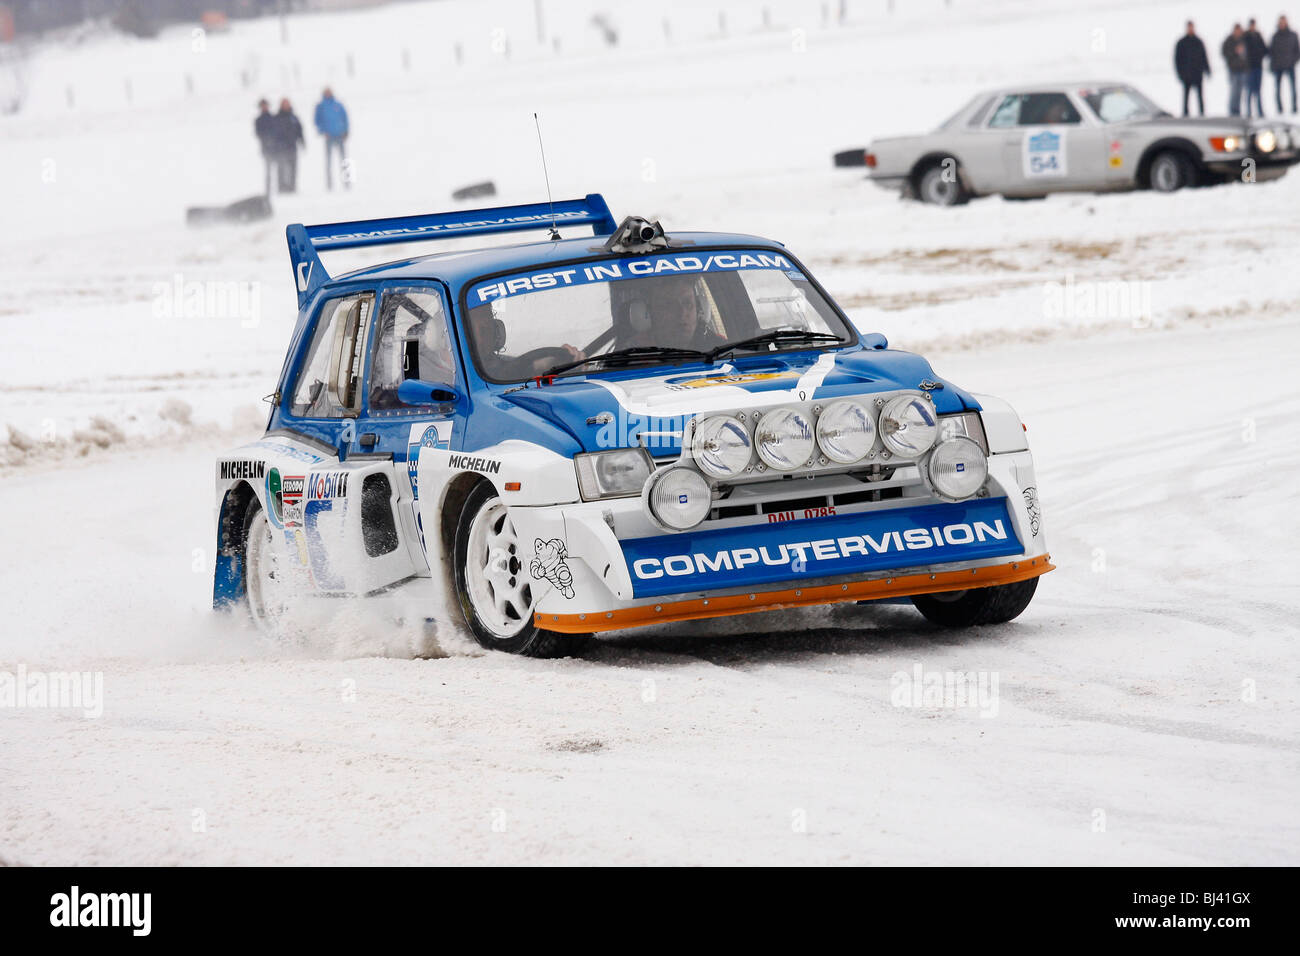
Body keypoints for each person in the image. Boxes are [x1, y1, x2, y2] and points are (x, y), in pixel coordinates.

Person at [313, 88, 350, 190]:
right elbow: (317, 120)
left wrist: (346, 130)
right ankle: (329, 184)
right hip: (329, 137)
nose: (328, 94)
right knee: (328, 161)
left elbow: (345, 117)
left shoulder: (338, 105)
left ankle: (348, 182)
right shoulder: (321, 106)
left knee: (344, 160)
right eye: (326, 92)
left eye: (329, 92)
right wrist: (323, 131)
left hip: (340, 135)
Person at [1174, 20, 1211, 116]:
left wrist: (1207, 69)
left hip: (1197, 74)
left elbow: (1204, 56)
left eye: (1192, 27)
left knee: (1200, 96)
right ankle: (1185, 115)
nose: (1191, 29)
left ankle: (1202, 114)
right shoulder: (1181, 43)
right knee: (1186, 97)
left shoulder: (1198, 41)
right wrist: (1180, 73)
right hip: (1186, 75)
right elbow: (1177, 59)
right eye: (1189, 27)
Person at [269, 98, 304, 193]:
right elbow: (273, 133)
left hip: (292, 147)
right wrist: (273, 146)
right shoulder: (276, 118)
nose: (286, 105)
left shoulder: (293, 117)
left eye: (287, 104)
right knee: (281, 169)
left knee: (293, 169)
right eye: (284, 104)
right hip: (281, 148)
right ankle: (281, 188)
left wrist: (302, 141)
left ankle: (292, 188)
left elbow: (299, 130)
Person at [1271, 15, 1300, 113]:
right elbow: (1272, 52)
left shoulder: (1292, 35)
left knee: (1293, 88)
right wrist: (1273, 65)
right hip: (1278, 66)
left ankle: (1294, 108)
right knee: (1278, 89)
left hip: (1290, 65)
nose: (1282, 23)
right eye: (1281, 22)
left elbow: (1297, 50)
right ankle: (1279, 109)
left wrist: (1293, 60)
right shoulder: (1275, 36)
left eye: (1284, 21)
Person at [1223, 23, 1250, 115]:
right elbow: (1225, 52)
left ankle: (1237, 110)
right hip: (1233, 70)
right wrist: (1235, 51)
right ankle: (1232, 111)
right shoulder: (1229, 41)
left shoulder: (1243, 40)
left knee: (1240, 92)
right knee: (1233, 92)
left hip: (1242, 70)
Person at [1244, 18, 1269, 116]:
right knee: (1250, 90)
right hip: (1249, 67)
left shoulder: (1258, 36)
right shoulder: (1246, 36)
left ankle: (1260, 111)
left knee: (1258, 90)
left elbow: (1265, 50)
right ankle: (1249, 112)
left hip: (1258, 66)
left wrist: (1259, 55)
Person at [253, 99, 276, 195]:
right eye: (262, 105)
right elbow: (258, 133)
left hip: (276, 147)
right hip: (266, 147)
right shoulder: (258, 120)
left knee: (279, 168)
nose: (264, 107)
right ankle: (268, 188)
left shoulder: (273, 118)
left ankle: (281, 188)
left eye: (265, 105)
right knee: (268, 169)